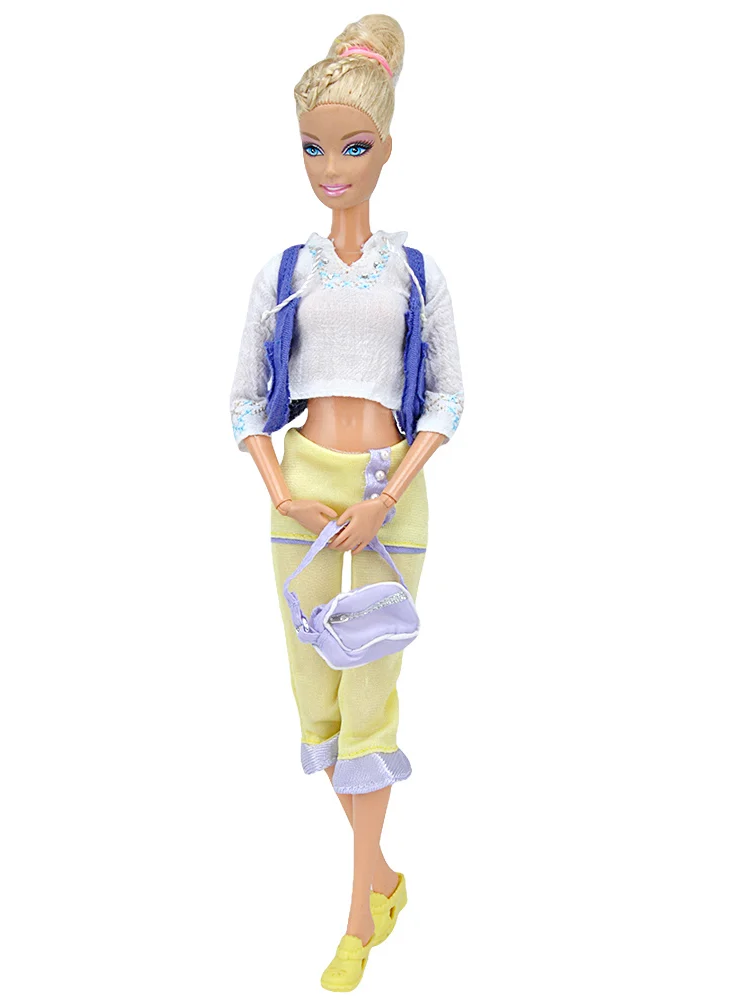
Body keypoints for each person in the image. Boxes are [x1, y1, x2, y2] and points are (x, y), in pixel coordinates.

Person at [228, 14, 465, 991]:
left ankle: (358, 915)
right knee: (316, 701)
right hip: (302, 501)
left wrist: (389, 492)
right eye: (315, 148)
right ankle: (386, 879)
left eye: (353, 147)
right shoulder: (284, 273)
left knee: (371, 693)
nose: (333, 169)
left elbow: (447, 400)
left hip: (386, 499)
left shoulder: (415, 273)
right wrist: (283, 488)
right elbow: (245, 401)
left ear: (386, 148)